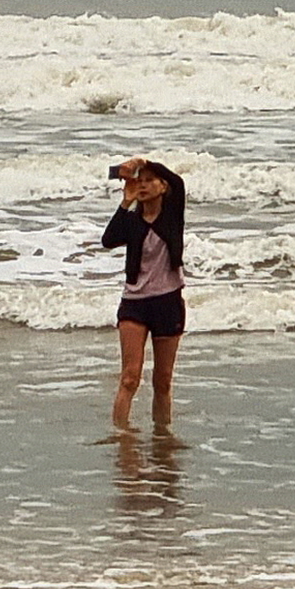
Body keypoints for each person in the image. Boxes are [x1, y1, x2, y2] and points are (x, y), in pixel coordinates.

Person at [100, 158, 188, 424]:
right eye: (141, 180)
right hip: (135, 303)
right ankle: (121, 436)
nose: (144, 185)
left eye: (150, 180)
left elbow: (178, 182)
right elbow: (108, 240)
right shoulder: (133, 220)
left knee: (162, 382)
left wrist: (143, 162)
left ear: (163, 187)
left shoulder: (172, 216)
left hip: (168, 301)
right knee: (129, 377)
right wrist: (125, 201)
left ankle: (162, 437)